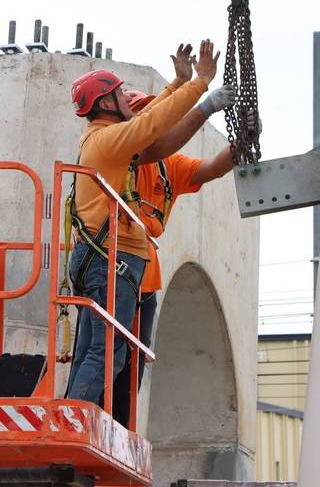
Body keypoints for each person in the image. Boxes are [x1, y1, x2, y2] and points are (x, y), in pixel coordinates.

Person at [65, 40, 222, 405]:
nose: (126, 98)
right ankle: (73, 420)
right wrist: (200, 86)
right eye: (120, 94)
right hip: (110, 261)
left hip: (106, 261)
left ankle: (74, 419)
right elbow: (151, 124)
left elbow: (149, 124)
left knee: (96, 352)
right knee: (106, 355)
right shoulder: (109, 141)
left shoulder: (108, 140)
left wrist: (178, 84)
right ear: (105, 103)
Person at [104, 81, 243, 426]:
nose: (156, 123)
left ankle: (119, 427)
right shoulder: (120, 156)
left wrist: (241, 145)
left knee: (133, 360)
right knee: (107, 353)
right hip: (111, 269)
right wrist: (205, 103)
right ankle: (99, 417)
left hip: (145, 278)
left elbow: (210, 168)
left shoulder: (168, 167)